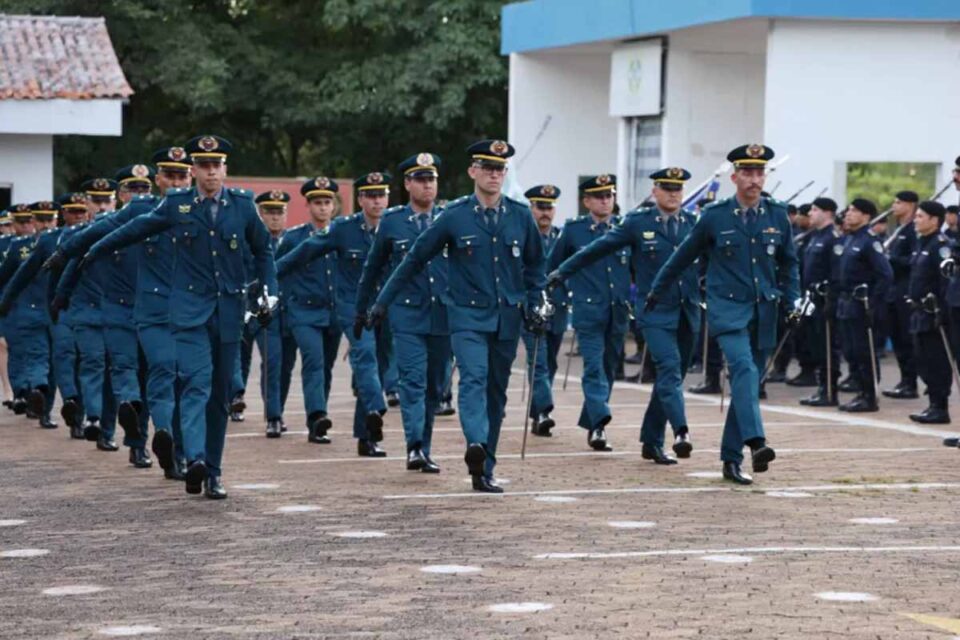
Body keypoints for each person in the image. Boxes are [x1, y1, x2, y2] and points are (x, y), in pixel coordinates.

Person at [81, 135, 277, 499]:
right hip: (188, 313)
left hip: (230, 312)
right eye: (203, 165)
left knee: (219, 396)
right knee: (195, 384)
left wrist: (270, 291)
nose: (210, 172)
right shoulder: (177, 206)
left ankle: (214, 472)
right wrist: (89, 251)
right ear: (195, 170)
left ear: (224, 169)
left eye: (216, 165)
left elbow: (263, 252)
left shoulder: (243, 207)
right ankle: (196, 459)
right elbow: (130, 231)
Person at [366, 139, 546, 493]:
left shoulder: (521, 216)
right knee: (474, 380)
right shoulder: (455, 215)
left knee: (496, 392)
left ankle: (484, 468)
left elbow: (536, 266)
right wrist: (381, 302)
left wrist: (537, 303)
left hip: (506, 318)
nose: (494, 175)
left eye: (500, 169)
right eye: (488, 168)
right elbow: (415, 259)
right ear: (473, 172)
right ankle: (476, 443)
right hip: (465, 317)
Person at [647, 144, 798, 485]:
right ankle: (757, 442)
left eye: (760, 172)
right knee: (743, 369)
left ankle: (731, 460)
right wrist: (657, 290)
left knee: (748, 382)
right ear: (734, 177)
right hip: (727, 309)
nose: (754, 179)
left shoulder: (777, 214)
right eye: (747, 172)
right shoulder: (715, 216)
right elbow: (682, 257)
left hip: (765, 310)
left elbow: (790, 263)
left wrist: (794, 301)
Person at [548, 167, 701, 465]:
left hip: (687, 310)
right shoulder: (637, 223)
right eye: (667, 187)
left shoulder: (694, 224)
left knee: (672, 377)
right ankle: (681, 431)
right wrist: (561, 272)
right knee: (668, 369)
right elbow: (597, 249)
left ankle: (651, 440)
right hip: (654, 312)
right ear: (655, 191)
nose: (673, 193)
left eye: (678, 188)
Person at [276, 172, 390, 457]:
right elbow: (300, 255)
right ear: (361, 199)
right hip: (336, 309)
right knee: (343, 360)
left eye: (381, 195)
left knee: (372, 365)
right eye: (370, 195)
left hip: (383, 308)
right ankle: (322, 416)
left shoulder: (396, 226)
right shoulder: (343, 229)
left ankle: (367, 435)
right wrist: (267, 279)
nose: (377, 201)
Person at [356, 152, 450, 473]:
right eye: (420, 180)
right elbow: (373, 268)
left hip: (444, 313)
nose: (427, 186)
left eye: (431, 179)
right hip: (407, 313)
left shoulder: (450, 217)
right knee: (413, 381)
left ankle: (424, 444)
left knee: (436, 385)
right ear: (408, 183)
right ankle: (415, 447)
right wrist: (362, 308)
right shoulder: (393, 222)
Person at [547, 174, 631, 452]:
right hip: (588, 310)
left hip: (618, 310)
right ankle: (598, 425)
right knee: (593, 366)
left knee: (607, 368)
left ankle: (593, 419)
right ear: (587, 201)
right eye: (599, 196)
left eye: (609, 195)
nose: (605, 201)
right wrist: (554, 300)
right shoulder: (573, 231)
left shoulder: (624, 228)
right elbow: (554, 268)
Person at [278, 177, 342, 444]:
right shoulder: (294, 238)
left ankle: (318, 421)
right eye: (318, 202)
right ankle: (317, 415)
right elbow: (278, 269)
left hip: (334, 313)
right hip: (303, 312)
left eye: (327, 202)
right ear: (308, 205)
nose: (323, 208)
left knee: (326, 366)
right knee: (313, 362)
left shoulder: (341, 234)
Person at [835, 198, 893, 413]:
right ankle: (860, 391)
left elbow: (885, 275)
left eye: (854, 211)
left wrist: (873, 303)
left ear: (866, 216)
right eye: (849, 209)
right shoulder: (851, 238)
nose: (849, 214)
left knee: (863, 351)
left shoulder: (869, 241)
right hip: (846, 303)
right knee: (850, 351)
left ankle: (869, 396)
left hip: (861, 304)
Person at [522, 184, 565, 436]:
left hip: (557, 308)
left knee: (550, 362)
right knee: (537, 360)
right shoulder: (524, 236)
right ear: (531, 209)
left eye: (549, 207)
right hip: (531, 307)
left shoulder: (561, 237)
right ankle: (543, 411)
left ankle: (537, 413)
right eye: (540, 207)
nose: (545, 213)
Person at [906, 201, 952, 423]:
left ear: (934, 220)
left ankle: (940, 406)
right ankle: (932, 403)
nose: (916, 219)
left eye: (921, 216)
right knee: (923, 360)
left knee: (937, 362)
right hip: (919, 312)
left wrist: (941, 311)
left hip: (933, 313)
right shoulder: (921, 243)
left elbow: (946, 282)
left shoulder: (940, 246)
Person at [798, 197, 842, 406]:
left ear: (827, 213)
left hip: (826, 299)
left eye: (815, 210)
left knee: (827, 346)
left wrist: (830, 297)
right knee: (815, 344)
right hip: (811, 298)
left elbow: (837, 272)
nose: (810, 213)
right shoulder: (814, 237)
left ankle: (829, 389)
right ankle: (821, 386)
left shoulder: (833, 238)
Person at [881, 190, 920, 400]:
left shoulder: (914, 230)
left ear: (910, 205)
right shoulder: (898, 229)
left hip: (905, 290)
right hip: (893, 290)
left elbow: (913, 260)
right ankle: (904, 380)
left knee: (906, 339)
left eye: (898, 203)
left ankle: (911, 382)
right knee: (896, 338)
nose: (894, 206)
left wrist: (891, 259)